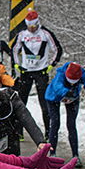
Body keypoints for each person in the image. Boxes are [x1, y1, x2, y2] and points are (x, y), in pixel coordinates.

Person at [11, 10, 62, 138]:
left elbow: (58, 49)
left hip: (41, 72)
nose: (31, 28)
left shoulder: (45, 33)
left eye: (33, 26)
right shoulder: (22, 34)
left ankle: (47, 133)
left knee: (44, 103)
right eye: (29, 26)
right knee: (21, 102)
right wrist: (17, 65)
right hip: (26, 72)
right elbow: (14, 49)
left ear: (37, 23)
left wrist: (51, 65)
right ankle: (19, 132)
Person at [45, 62, 85, 168]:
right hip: (54, 97)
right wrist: (65, 91)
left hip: (72, 98)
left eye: (75, 82)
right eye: (70, 82)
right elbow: (57, 85)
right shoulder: (61, 73)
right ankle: (52, 154)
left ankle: (75, 156)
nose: (72, 84)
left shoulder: (82, 73)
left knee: (71, 125)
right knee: (55, 123)